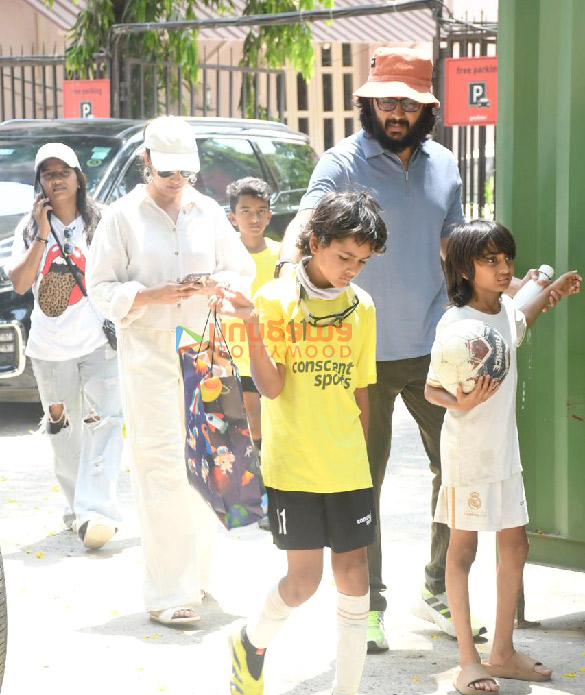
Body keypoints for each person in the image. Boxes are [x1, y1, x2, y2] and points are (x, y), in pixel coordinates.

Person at [279, 47, 468, 649]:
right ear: (368, 102)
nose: (395, 111)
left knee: (457, 471)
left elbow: (453, 246)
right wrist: (286, 276)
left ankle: (439, 587)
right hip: (359, 356)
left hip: (435, 348)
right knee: (365, 483)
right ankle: (373, 603)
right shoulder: (342, 162)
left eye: (407, 102)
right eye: (385, 100)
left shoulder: (445, 165)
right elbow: (307, 222)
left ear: (425, 108)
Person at [214, 191, 389, 695]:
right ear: (314, 243)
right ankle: (251, 641)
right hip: (293, 465)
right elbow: (269, 387)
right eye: (344, 257)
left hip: (347, 464)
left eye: (361, 262)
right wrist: (256, 329)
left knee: (355, 577)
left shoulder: (361, 306)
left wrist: (359, 456)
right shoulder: (272, 300)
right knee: (304, 582)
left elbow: (362, 390)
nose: (351, 271)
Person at [87, 115, 255, 627]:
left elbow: (240, 269)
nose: (177, 182)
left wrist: (216, 284)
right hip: (148, 350)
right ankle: (167, 591)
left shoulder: (207, 212)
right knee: (160, 463)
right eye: (166, 173)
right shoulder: (120, 217)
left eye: (185, 172)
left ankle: (196, 578)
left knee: (212, 460)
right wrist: (148, 295)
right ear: (146, 164)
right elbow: (99, 289)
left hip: (205, 348)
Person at [425, 220, 581, 695]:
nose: (502, 267)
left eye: (506, 259)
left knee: (516, 547)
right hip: (468, 456)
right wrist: (463, 403)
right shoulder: (455, 324)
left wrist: (550, 290)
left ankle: (504, 653)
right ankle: (468, 661)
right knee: (463, 552)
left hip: (504, 454)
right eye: (490, 260)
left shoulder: (505, 311)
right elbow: (433, 389)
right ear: (465, 269)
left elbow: (521, 317)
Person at [8, 143, 123, 549]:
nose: (55, 180)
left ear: (78, 178)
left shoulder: (104, 221)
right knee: (63, 431)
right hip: (48, 350)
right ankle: (80, 510)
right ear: (39, 182)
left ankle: (100, 512)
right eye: (47, 173)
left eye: (63, 172)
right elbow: (20, 284)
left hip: (98, 344)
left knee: (108, 423)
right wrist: (41, 235)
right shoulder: (28, 227)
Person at [225, 176, 280, 449]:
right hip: (231, 357)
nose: (253, 219)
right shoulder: (221, 255)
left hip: (270, 356)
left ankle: (268, 483)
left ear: (269, 216)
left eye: (260, 212)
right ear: (232, 217)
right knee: (243, 426)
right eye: (245, 212)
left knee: (266, 427)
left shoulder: (282, 257)